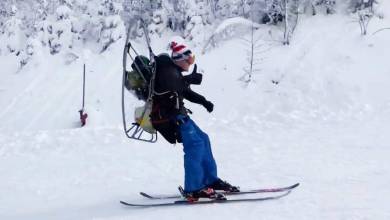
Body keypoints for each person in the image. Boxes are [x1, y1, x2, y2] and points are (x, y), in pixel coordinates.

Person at [150, 41, 239, 201]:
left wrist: (204, 102)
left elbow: (185, 91)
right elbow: (178, 85)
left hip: (179, 115)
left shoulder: (173, 71)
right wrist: (189, 79)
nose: (191, 63)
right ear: (179, 60)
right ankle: (193, 188)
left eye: (192, 59)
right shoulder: (167, 71)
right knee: (194, 146)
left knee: (203, 139)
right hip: (169, 117)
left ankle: (210, 180)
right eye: (189, 60)